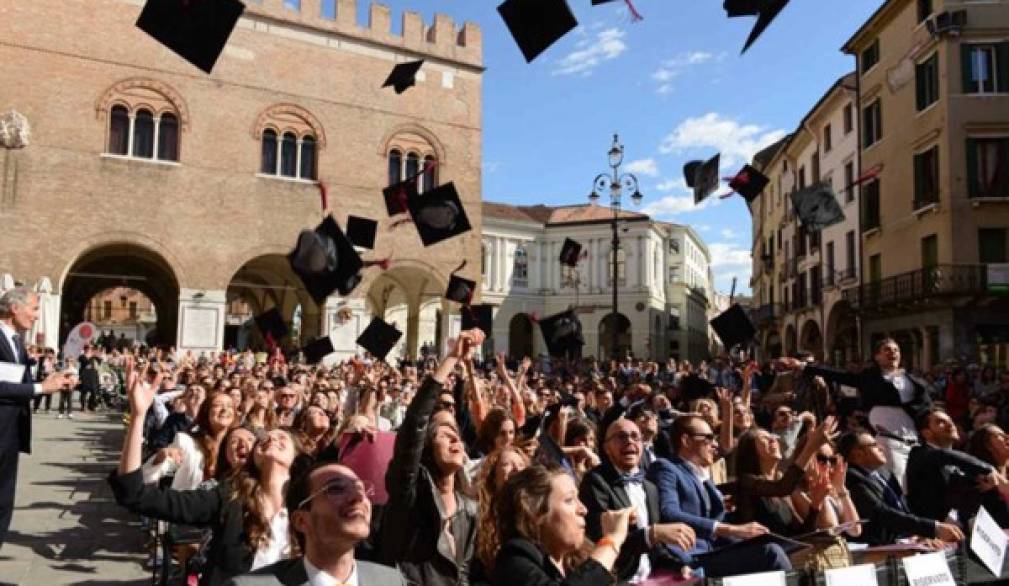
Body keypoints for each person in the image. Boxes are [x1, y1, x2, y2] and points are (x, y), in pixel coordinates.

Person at [109, 358, 306, 585]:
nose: (271, 438)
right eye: (267, 438)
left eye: (281, 438)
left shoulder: (312, 503)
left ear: (297, 457)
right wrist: (138, 416)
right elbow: (134, 494)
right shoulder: (228, 497)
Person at [380, 330, 483, 586]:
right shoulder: (410, 493)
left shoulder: (468, 509)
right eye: (444, 434)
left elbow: (464, 573)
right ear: (425, 446)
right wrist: (451, 359)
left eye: (457, 435)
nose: (455, 440)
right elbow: (415, 423)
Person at [776, 338, 934, 490]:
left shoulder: (913, 381)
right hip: (888, 440)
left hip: (915, 440)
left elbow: (926, 407)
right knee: (899, 481)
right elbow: (838, 374)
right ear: (877, 356)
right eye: (887, 350)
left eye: (895, 350)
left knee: (922, 482)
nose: (892, 353)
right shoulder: (870, 378)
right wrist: (804, 366)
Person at [647, 415, 792, 577]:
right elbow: (669, 513)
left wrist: (750, 540)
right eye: (708, 438)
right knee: (770, 553)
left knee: (772, 547)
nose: (715, 444)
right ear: (686, 441)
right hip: (687, 559)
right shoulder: (665, 468)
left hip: (713, 552)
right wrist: (732, 529)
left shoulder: (703, 478)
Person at [223, 460, 405, 585]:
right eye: (336, 489)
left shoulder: (391, 580)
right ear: (301, 520)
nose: (358, 497)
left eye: (361, 489)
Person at [0, 287, 76, 548]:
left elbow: (14, 380)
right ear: (15, 308)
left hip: (10, 436)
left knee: (3, 505)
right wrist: (40, 388)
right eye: (33, 308)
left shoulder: (16, 340)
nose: (36, 315)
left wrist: (54, 382)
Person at [579, 418, 695, 583]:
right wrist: (651, 534)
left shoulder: (651, 488)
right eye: (621, 437)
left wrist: (678, 566)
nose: (629, 441)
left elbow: (656, 550)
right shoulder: (596, 482)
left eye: (635, 436)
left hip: (652, 578)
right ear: (606, 448)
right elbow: (600, 538)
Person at [492, 465, 633, 585]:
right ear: (535, 513)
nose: (583, 509)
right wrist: (612, 540)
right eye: (569, 500)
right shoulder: (514, 562)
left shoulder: (575, 558)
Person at [836, 431, 962, 546]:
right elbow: (883, 514)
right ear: (858, 454)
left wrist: (919, 535)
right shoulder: (852, 479)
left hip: (905, 542)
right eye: (874, 445)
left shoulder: (884, 472)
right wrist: (933, 528)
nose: (881, 447)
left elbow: (904, 510)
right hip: (878, 549)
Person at [905, 408, 999, 524]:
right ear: (926, 433)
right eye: (940, 422)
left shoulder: (958, 460)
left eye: (950, 420)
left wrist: (983, 483)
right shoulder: (920, 454)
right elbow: (945, 455)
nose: (950, 424)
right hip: (933, 533)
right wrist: (988, 469)